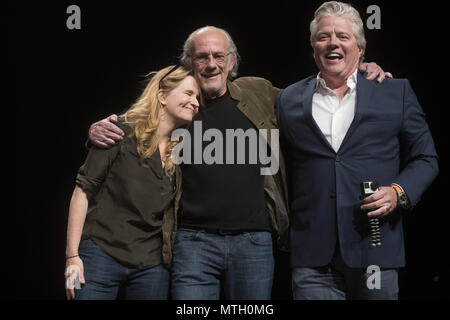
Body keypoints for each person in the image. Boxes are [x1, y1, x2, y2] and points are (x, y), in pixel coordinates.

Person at [88, 26, 388, 300]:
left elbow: (313, 98)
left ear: (231, 62)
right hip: (192, 243)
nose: (211, 64)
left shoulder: (257, 93)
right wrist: (95, 132)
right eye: (201, 57)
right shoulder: (179, 108)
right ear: (187, 63)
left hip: (254, 243)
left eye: (219, 55)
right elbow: (136, 129)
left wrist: (354, 71)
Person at [276, 1, 439, 300]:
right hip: (311, 253)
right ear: (313, 47)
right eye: (323, 37)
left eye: (343, 36)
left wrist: (398, 192)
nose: (332, 42)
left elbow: (426, 158)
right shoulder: (287, 99)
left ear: (360, 48)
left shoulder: (394, 91)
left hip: (375, 246)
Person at [64, 65, 200, 300]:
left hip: (151, 265)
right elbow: (82, 193)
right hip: (99, 255)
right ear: (162, 95)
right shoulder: (119, 131)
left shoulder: (183, 149)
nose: (196, 102)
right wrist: (72, 257)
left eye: (197, 97)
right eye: (189, 93)